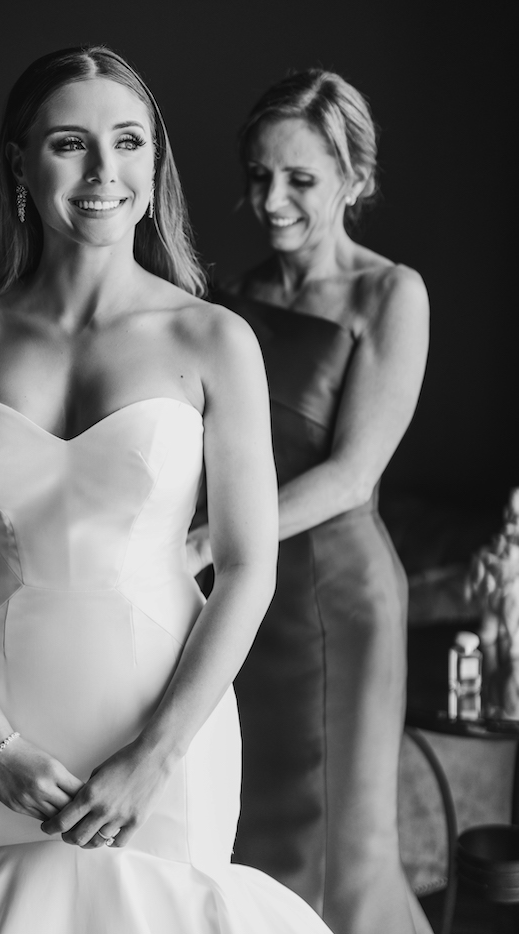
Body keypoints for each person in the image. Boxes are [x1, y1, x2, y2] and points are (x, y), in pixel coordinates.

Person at [0, 47, 332, 934]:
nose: (104, 173)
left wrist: (155, 757)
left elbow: (247, 568)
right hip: (5, 708)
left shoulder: (214, 338)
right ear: (19, 164)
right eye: (69, 144)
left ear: (154, 163)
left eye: (129, 142)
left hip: (165, 708)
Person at [187, 70, 432, 934]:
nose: (272, 200)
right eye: (259, 176)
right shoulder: (239, 297)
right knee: (256, 826)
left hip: (338, 599)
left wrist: (209, 542)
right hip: (249, 597)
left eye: (301, 180)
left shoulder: (390, 295)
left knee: (341, 843)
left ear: (354, 181)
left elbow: (353, 475)